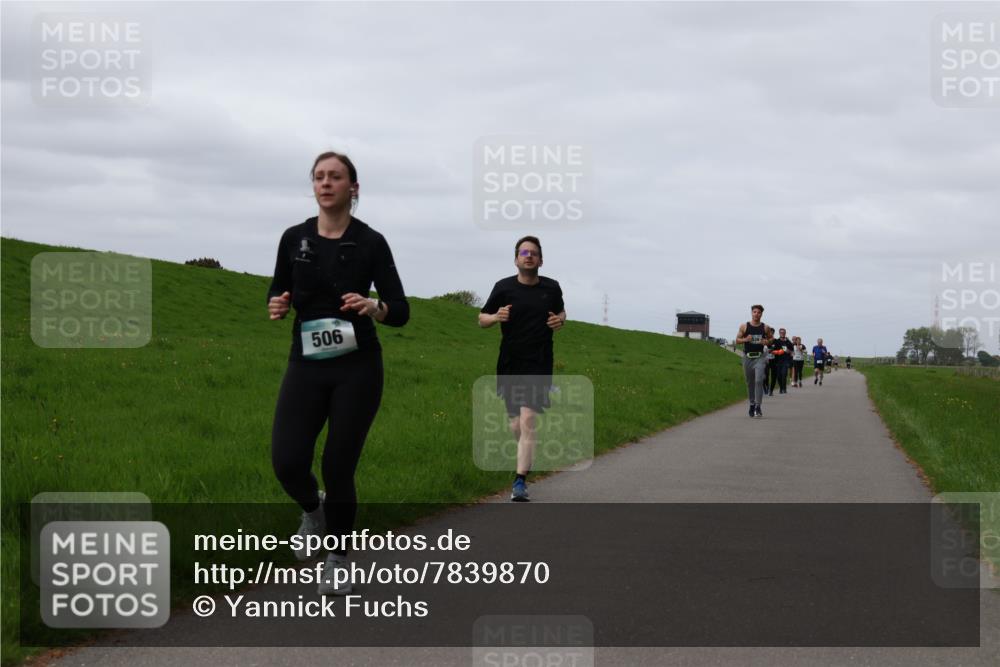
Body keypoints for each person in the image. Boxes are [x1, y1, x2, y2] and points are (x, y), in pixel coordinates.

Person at [267, 151, 409, 595]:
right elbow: (278, 287)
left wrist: (374, 307)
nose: (325, 183)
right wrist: (278, 303)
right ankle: (314, 511)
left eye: (335, 176)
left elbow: (400, 309)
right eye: (319, 177)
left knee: (337, 464)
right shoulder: (293, 238)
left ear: (353, 188)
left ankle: (338, 558)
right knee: (287, 461)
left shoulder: (371, 242)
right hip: (305, 364)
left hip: (357, 367)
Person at [479, 236, 565, 502]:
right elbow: (481, 319)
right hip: (510, 362)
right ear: (516, 259)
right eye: (524, 252)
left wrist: (559, 320)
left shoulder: (551, 288)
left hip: (539, 362)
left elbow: (562, 312)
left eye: (533, 253)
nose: (529, 256)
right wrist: (496, 317)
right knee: (516, 423)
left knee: (527, 420)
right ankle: (526, 453)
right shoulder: (503, 287)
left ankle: (519, 482)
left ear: (541, 260)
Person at [735, 305, 772, 418]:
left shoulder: (765, 327)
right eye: (754, 312)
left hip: (760, 357)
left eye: (759, 312)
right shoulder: (744, 326)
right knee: (750, 383)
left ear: (761, 314)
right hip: (748, 357)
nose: (756, 314)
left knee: (759, 381)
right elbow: (737, 340)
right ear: (751, 313)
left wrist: (766, 342)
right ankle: (752, 404)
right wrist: (746, 339)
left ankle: (758, 406)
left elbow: (771, 339)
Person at [768, 328, 794, 394]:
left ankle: (784, 389)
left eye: (783, 332)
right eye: (781, 332)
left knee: (784, 374)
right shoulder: (776, 341)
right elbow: (771, 350)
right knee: (779, 376)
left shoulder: (788, 342)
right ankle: (781, 387)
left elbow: (792, 352)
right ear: (779, 333)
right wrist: (776, 352)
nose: (782, 333)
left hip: (785, 360)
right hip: (777, 360)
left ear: (785, 333)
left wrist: (789, 351)